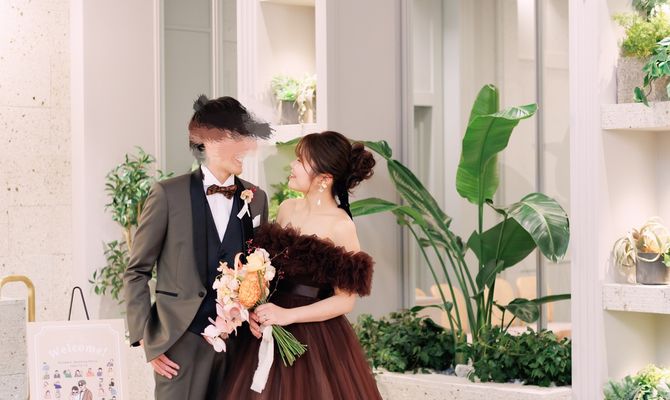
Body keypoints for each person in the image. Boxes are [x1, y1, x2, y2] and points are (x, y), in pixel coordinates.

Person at [123, 95, 272, 399]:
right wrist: (146, 339)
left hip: (240, 347)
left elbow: (260, 269)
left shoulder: (256, 199)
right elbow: (137, 270)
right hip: (180, 345)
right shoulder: (168, 194)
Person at [219, 131, 382, 399]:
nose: (292, 166)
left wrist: (288, 315)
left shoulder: (341, 225)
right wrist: (256, 309)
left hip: (315, 338)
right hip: (268, 326)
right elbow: (268, 272)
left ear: (324, 178)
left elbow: (345, 301)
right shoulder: (287, 208)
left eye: (300, 161)